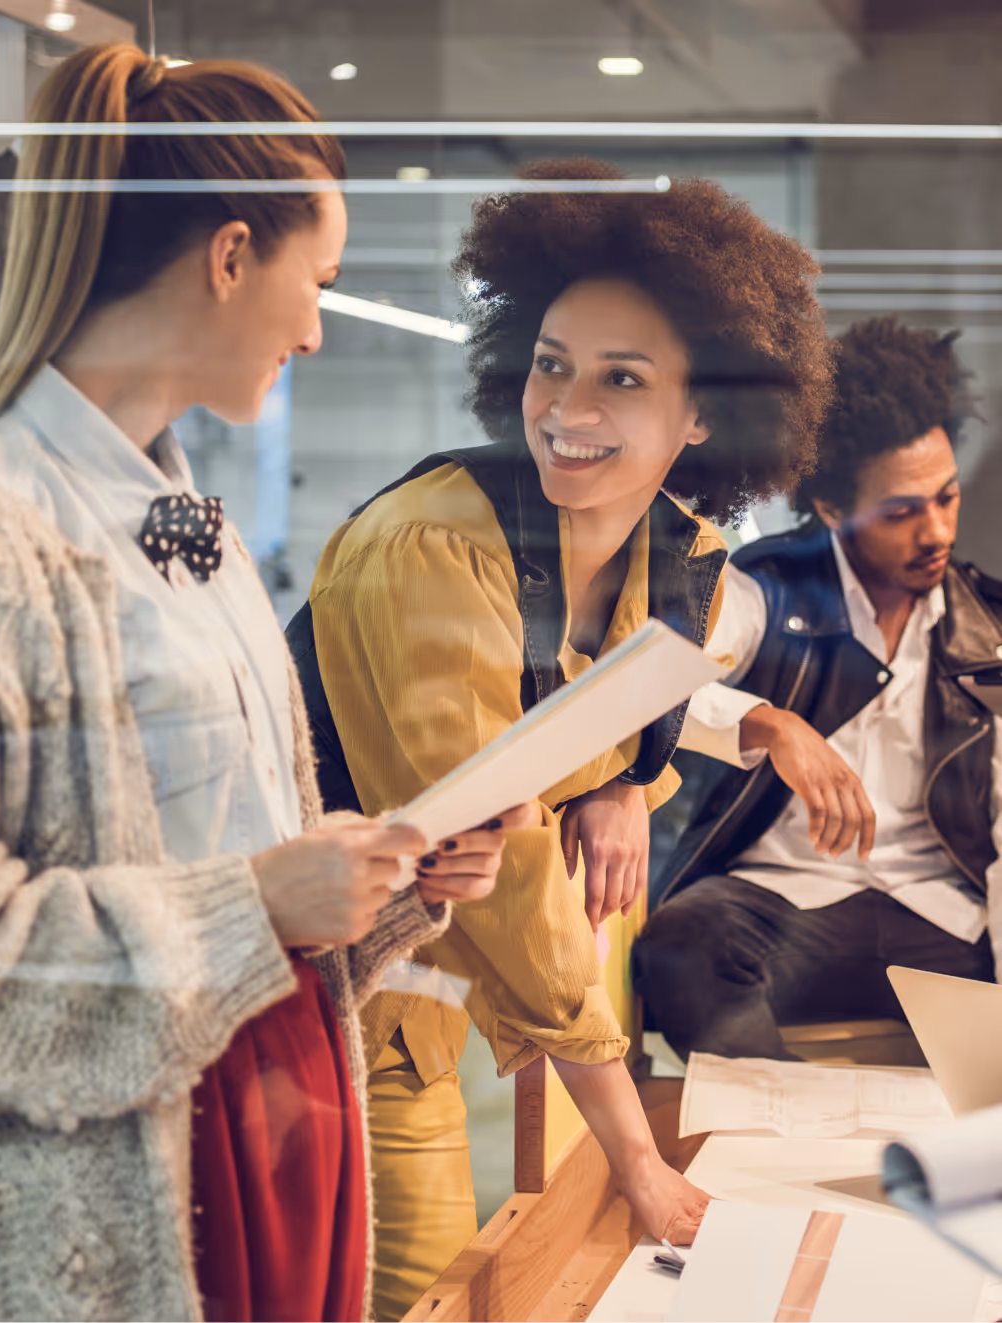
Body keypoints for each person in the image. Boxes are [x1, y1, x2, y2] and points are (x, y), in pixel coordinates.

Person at [0, 43, 517, 1323]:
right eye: (312, 283)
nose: (319, 328)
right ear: (227, 258)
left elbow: (224, 866)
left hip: (274, 1114)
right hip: (118, 1176)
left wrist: (377, 887)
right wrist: (260, 900)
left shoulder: (177, 519)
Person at [288, 159, 834, 1318]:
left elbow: (617, 715)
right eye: (550, 365)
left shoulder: (677, 555)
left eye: (621, 380)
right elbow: (498, 843)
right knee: (428, 1291)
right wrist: (637, 1148)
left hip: (523, 1016)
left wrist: (623, 783)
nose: (567, 411)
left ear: (702, 417)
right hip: (354, 998)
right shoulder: (431, 548)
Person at [635, 317, 1002, 1062]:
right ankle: (773, 1136)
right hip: (782, 907)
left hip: (940, 918)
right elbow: (645, 680)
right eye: (901, 511)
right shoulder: (764, 588)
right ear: (833, 509)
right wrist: (771, 723)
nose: (935, 530)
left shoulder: (986, 628)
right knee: (682, 942)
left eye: (947, 498)